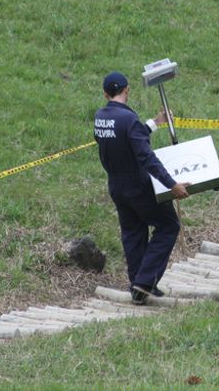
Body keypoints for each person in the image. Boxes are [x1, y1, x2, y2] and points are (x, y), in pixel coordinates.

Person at [93, 71, 189, 305]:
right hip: (138, 186)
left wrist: (155, 123)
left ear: (105, 93)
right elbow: (146, 157)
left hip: (116, 186)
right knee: (168, 225)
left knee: (133, 233)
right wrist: (172, 184)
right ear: (127, 89)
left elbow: (126, 138)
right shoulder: (128, 119)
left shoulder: (100, 117)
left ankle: (138, 285)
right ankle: (145, 281)